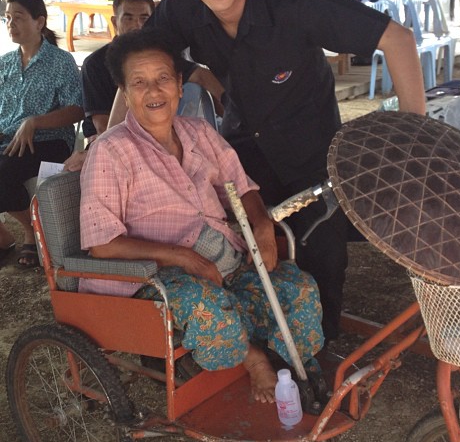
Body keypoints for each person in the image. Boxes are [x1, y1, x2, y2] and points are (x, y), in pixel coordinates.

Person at [138, 0, 426, 341]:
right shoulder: (183, 5)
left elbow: (398, 39)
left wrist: (417, 144)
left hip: (312, 147)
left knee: (322, 254)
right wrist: (109, 136)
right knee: (243, 249)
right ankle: (262, 347)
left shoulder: (292, 1)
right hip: (242, 149)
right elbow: (136, 63)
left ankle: (321, 347)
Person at [80, 29, 323, 402]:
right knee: (209, 308)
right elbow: (102, 245)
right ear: (126, 95)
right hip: (152, 277)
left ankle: (286, 363)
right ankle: (254, 359)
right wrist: (182, 256)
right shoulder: (110, 152)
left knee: (298, 288)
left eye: (163, 79)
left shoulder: (198, 132)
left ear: (179, 85)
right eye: (139, 83)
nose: (154, 91)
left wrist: (260, 223)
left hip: (220, 258)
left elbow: (242, 187)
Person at [0, 0, 83, 267]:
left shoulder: (61, 62)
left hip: (49, 140)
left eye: (18, 17)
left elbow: (76, 109)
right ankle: (2, 236)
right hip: (7, 138)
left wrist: (34, 122)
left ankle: (30, 229)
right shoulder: (5, 64)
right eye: (8, 18)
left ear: (39, 22)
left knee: (3, 173)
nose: (11, 23)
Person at [63, 0, 155, 172]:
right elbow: (104, 127)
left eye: (144, 19)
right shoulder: (95, 64)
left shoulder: (162, 60)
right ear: (115, 22)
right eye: (128, 18)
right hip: (110, 143)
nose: (137, 25)